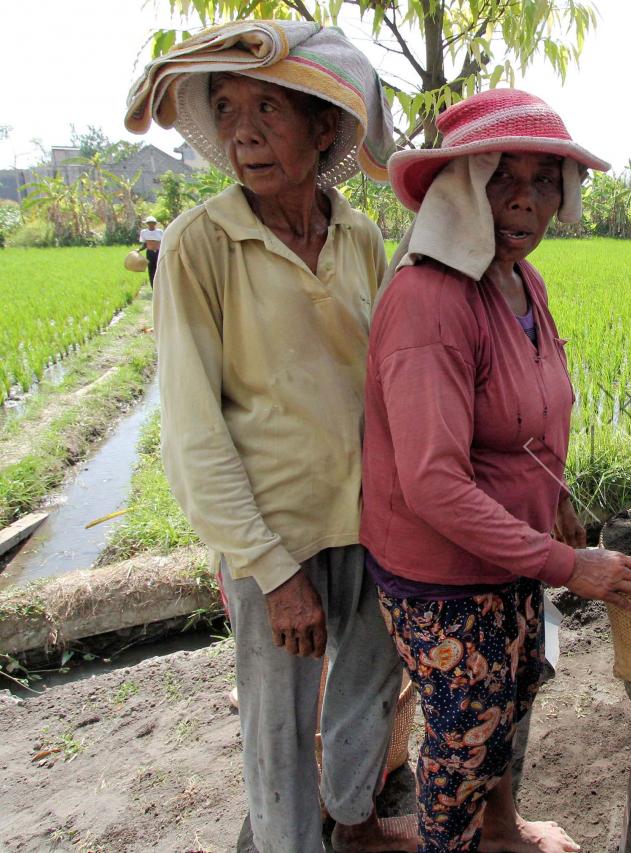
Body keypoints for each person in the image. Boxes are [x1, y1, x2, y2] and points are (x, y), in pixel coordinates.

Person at [124, 21, 411, 853]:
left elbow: (385, 383)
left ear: (324, 126)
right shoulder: (199, 244)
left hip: (371, 522)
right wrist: (273, 572)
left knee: (369, 684)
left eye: (266, 108)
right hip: (275, 538)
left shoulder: (357, 234)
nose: (242, 131)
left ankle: (352, 823)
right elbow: (192, 426)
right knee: (278, 724)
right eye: (226, 109)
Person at [362, 88, 631, 853]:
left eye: (544, 179)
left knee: (512, 697)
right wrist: (569, 564)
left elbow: (539, 410)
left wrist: (556, 501)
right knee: (461, 747)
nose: (527, 202)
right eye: (503, 178)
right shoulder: (429, 300)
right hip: (443, 579)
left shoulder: (524, 282)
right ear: (458, 186)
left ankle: (501, 831)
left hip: (510, 555)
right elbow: (434, 482)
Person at [138, 214, 164, 286]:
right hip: (150, 253)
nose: (151, 225)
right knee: (151, 270)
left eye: (152, 223)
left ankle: (161, 286)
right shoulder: (144, 232)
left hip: (158, 253)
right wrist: (139, 250)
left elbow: (163, 243)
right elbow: (144, 244)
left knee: (159, 269)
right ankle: (153, 286)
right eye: (149, 223)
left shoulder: (160, 232)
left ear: (155, 224)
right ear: (147, 224)